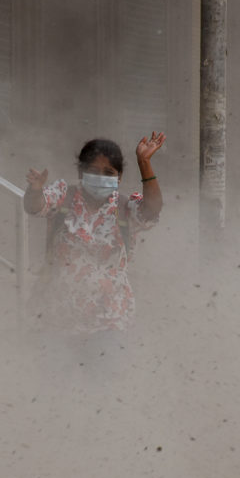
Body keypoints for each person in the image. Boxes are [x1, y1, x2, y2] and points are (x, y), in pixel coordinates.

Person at [23, 132, 166, 338]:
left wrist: (144, 163)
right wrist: (35, 190)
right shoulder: (63, 195)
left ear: (119, 177)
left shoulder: (125, 207)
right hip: (57, 318)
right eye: (93, 171)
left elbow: (151, 211)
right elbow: (34, 207)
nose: (101, 177)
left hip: (110, 320)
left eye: (108, 173)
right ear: (81, 172)